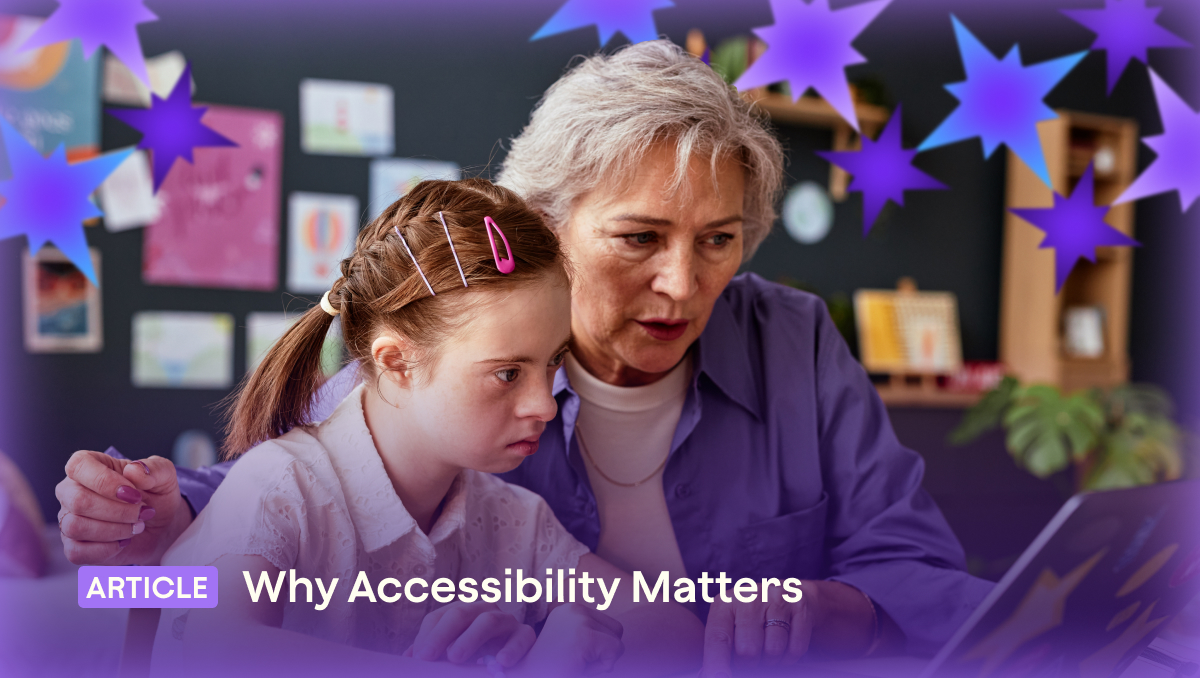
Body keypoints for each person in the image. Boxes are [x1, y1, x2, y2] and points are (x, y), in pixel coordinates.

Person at [57, 40, 993, 676]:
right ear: (545, 224)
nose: (681, 285)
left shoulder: (790, 341)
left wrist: (847, 611)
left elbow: (915, 568)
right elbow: (296, 489)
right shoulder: (449, 351)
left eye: (719, 239)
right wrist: (159, 512)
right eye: (638, 238)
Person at [148, 179, 702, 677]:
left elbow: (675, 632)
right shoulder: (280, 488)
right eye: (507, 373)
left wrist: (544, 645)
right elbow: (216, 653)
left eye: (553, 361)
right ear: (396, 362)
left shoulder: (513, 519)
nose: (544, 404)